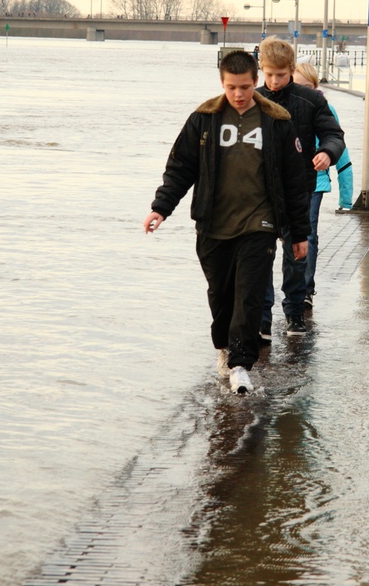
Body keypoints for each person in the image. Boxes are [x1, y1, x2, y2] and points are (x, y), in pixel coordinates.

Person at [144, 49, 310, 395]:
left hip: (259, 224)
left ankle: (240, 363)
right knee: (220, 295)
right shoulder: (203, 119)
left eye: (246, 87)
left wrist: (299, 233)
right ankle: (224, 348)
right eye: (232, 87)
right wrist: (161, 207)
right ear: (222, 83)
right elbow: (180, 169)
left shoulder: (277, 121)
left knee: (249, 295)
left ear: (256, 83)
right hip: (213, 223)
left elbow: (295, 182)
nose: (239, 95)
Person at [256, 38, 346, 338]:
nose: (274, 81)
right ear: (261, 70)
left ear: (291, 70)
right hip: (261, 193)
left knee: (296, 252)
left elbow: (334, 134)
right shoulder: (253, 101)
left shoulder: (310, 101)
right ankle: (262, 319)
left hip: (299, 189)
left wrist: (327, 153)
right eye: (268, 74)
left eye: (280, 75)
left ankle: (295, 313)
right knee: (260, 254)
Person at [292, 62, 353, 308]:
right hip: (287, 182)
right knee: (286, 236)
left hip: (315, 182)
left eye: (306, 87)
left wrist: (346, 197)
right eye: (297, 86)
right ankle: (292, 284)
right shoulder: (283, 107)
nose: (302, 91)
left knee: (309, 234)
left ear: (316, 87)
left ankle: (306, 288)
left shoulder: (326, 110)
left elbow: (341, 149)